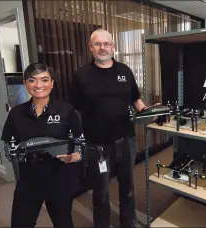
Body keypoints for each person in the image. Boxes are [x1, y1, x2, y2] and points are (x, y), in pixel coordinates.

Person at [71, 29, 155, 228]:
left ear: (113, 47)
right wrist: (75, 140)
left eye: (106, 44)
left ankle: (129, 222)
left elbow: (135, 98)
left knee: (128, 187)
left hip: (126, 140)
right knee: (100, 192)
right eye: (97, 44)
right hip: (96, 145)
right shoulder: (81, 75)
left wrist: (146, 113)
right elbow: (74, 110)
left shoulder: (124, 71)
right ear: (91, 47)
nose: (103, 48)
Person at [1, 63, 83, 228]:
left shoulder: (66, 111)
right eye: (32, 80)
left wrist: (76, 156)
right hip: (29, 180)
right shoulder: (16, 113)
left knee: (63, 223)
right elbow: (8, 143)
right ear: (25, 83)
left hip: (59, 177)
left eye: (44, 80)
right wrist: (14, 154)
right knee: (20, 223)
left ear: (52, 83)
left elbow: (81, 144)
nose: (39, 85)